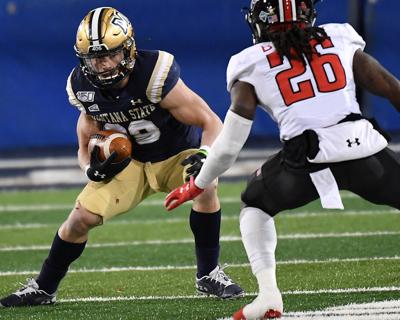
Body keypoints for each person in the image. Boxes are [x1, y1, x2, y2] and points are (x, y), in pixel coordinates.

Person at [164, 0, 400, 319]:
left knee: (256, 204)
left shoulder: (251, 63)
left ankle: (269, 296)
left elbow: (231, 142)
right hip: (363, 149)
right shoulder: (340, 39)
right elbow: (392, 89)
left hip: (305, 161)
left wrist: (199, 183)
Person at [0, 7, 244, 308]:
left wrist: (206, 155)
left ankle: (208, 273)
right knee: (80, 218)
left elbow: (210, 121)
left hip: (175, 155)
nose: (100, 65)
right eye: (92, 57)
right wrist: (90, 168)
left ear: (128, 49)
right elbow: (84, 142)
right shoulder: (82, 86)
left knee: (206, 184)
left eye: (108, 55)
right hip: (131, 165)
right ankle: (44, 287)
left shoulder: (154, 72)